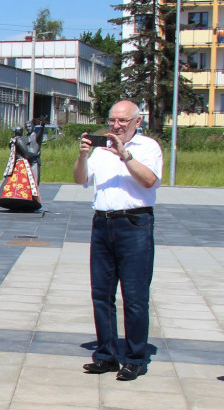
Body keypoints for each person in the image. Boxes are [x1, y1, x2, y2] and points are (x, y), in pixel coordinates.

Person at [73, 100, 162, 381]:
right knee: (101, 293)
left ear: (137, 121)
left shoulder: (148, 147)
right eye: (113, 120)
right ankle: (106, 355)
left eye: (123, 121)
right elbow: (80, 180)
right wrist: (83, 157)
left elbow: (149, 181)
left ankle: (135, 358)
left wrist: (125, 156)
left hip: (134, 223)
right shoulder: (99, 149)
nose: (116, 126)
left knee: (135, 297)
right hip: (103, 222)